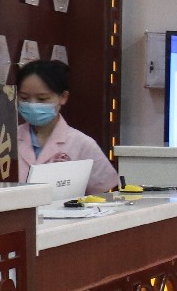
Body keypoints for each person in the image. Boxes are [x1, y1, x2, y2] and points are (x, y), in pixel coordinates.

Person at [16, 59, 118, 195]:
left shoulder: (82, 144)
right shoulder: (6, 141)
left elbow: (104, 192)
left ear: (63, 97)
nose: (32, 105)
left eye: (42, 99)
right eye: (24, 98)